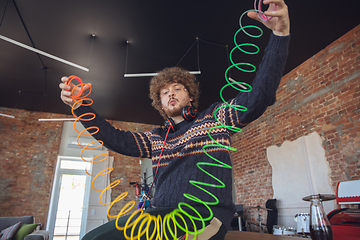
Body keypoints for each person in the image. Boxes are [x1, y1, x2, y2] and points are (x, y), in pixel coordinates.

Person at [59, 0, 290, 239]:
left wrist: (280, 35)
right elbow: (115, 139)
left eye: (177, 89)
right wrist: (78, 105)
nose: (170, 93)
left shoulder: (214, 119)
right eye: (164, 92)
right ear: (160, 104)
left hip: (202, 217)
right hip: (158, 217)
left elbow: (258, 97)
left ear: (190, 96)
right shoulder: (157, 139)